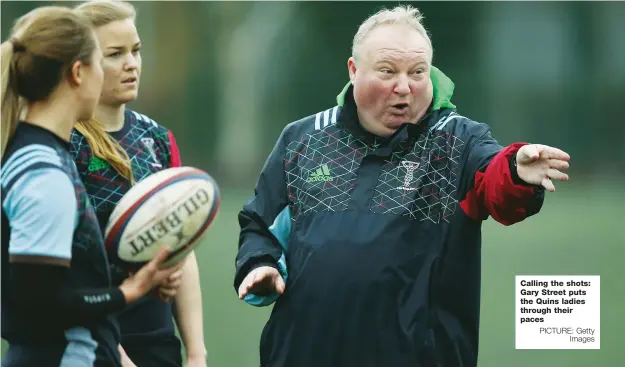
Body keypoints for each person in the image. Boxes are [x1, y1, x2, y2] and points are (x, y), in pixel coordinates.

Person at [233, 5, 571, 367]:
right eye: (388, 71)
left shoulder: (457, 141)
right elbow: (260, 225)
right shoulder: (303, 139)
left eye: (417, 72)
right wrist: (260, 264)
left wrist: (515, 172)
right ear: (354, 70)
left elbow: (497, 187)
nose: (404, 87)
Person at [0, 6, 181, 367]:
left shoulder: (36, 153)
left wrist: (129, 276)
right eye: (104, 59)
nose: (120, 67)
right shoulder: (44, 173)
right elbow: (38, 301)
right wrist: (125, 293)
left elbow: (55, 278)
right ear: (78, 73)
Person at [70, 1, 207, 366]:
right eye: (115, 54)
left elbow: (183, 244)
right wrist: (115, 356)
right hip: (93, 344)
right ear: (80, 66)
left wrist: (195, 353)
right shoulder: (66, 143)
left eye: (136, 50)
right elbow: (70, 268)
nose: (132, 63)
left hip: (157, 341)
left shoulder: (157, 138)